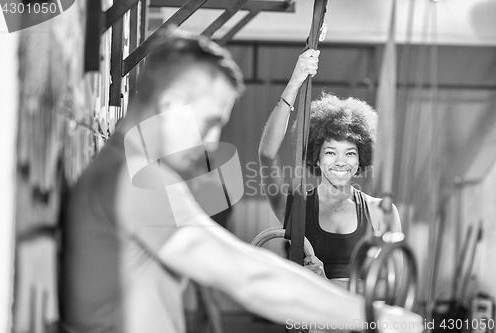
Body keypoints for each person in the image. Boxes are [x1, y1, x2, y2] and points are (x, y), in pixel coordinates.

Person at [60, 34, 419, 333]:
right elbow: (248, 275)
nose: (213, 143)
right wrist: (374, 318)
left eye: (350, 153)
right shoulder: (134, 180)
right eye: (210, 122)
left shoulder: (126, 168)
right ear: (172, 103)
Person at [258, 49, 402, 288]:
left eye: (350, 153)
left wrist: (327, 283)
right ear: (316, 157)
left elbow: (394, 286)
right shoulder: (296, 209)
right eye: (330, 152)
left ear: (361, 159)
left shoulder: (382, 213)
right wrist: (295, 81)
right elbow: (266, 154)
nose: (341, 162)